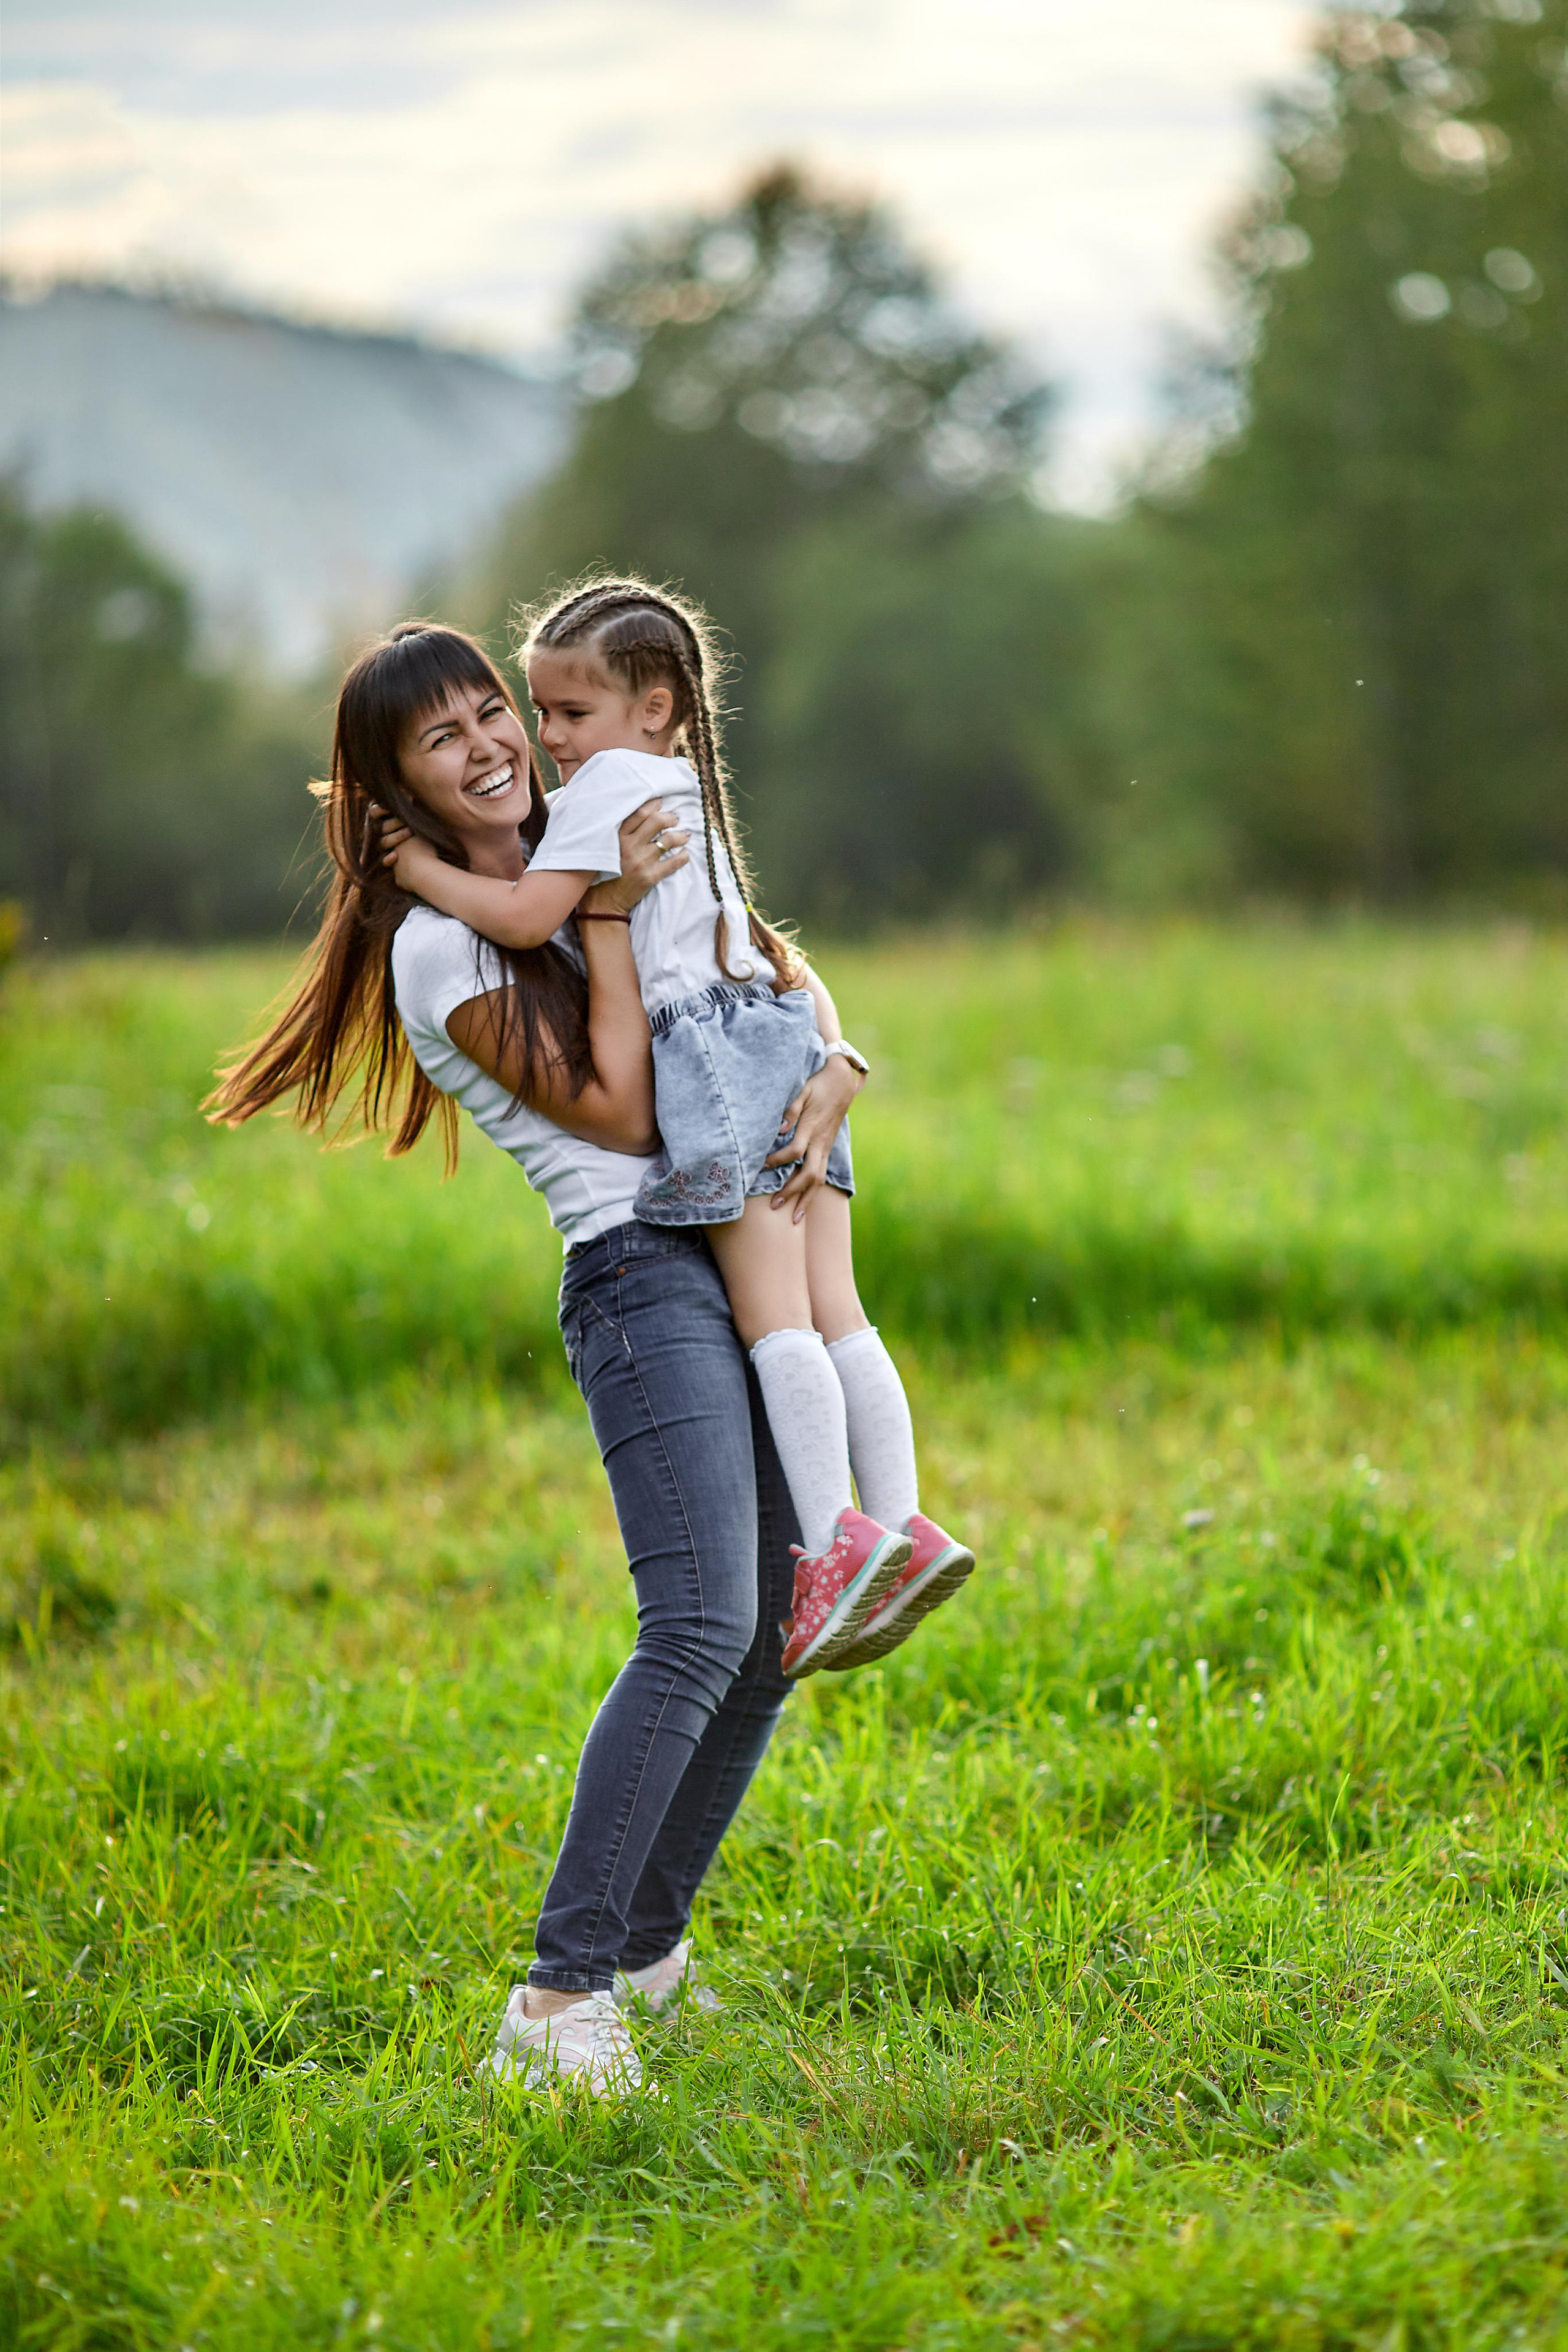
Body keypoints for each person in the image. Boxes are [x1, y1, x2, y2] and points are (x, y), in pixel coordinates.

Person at [207, 622, 864, 2096]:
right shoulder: (439, 947)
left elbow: (758, 957)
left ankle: (648, 1954)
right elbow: (622, 1112)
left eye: (488, 712)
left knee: (771, 1626)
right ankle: (559, 1996)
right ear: (394, 790)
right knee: (698, 1623)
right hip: (639, 1274)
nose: (489, 746)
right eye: (439, 740)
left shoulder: (580, 847)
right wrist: (613, 917)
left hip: (730, 1237)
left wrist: (835, 1060)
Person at [380, 578, 976, 1684]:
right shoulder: (670, 786)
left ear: (652, 708)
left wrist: (417, 869)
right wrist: (830, 1056)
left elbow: (531, 923)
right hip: (776, 1044)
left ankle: (839, 1545)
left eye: (554, 712)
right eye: (538, 711)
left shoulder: (598, 802)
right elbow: (763, 951)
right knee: (841, 1314)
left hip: (722, 1072)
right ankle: (905, 1522)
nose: (544, 739)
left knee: (780, 1321)